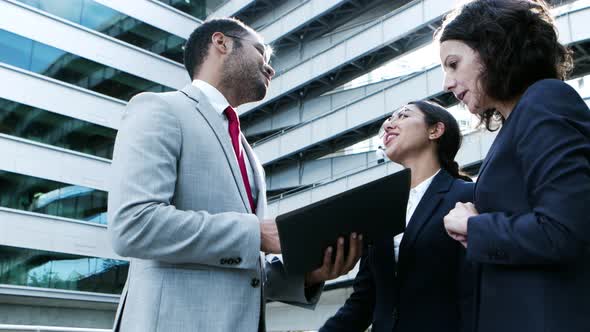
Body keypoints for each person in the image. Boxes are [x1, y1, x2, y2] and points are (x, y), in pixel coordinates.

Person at [107, 18, 362, 332]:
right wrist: (257, 233)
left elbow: (242, 268)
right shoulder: (159, 109)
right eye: (261, 53)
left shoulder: (246, 151)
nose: (270, 69)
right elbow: (134, 223)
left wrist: (309, 275)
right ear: (221, 43)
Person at [438, 1, 590, 332]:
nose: (447, 83)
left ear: (491, 49)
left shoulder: (545, 100)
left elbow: (563, 231)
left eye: (453, 64)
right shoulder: (518, 122)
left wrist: (474, 227)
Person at [319, 101, 474, 332]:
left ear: (435, 130)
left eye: (403, 116)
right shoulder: (382, 211)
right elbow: (364, 301)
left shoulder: (467, 196)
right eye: (390, 119)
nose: (389, 124)